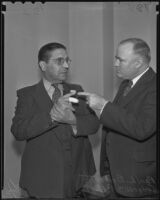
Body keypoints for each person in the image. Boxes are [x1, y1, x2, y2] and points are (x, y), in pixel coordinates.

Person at [11, 42, 99, 198]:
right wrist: (51, 116)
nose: (66, 65)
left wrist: (73, 120)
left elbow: (93, 124)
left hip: (78, 177)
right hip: (43, 179)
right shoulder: (27, 95)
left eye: (67, 60)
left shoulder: (76, 90)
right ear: (43, 65)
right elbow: (18, 131)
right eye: (59, 61)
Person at [78, 38, 157, 198]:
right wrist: (106, 168)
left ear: (138, 63)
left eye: (120, 60)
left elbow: (142, 128)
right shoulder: (126, 84)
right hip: (117, 173)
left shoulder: (154, 86)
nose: (115, 63)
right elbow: (118, 124)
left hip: (138, 178)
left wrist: (104, 106)